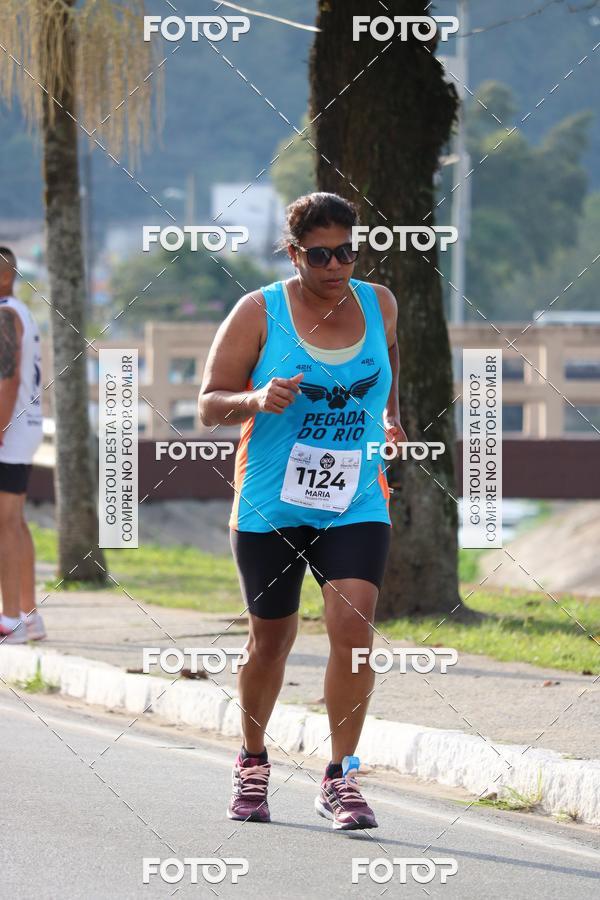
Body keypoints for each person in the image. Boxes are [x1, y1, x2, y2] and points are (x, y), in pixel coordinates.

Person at [198, 192, 406, 830]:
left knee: (354, 636)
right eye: (321, 255)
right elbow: (209, 404)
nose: (337, 265)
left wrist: (392, 417)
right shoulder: (258, 312)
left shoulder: (380, 304)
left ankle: (341, 777)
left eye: (347, 250)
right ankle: (253, 762)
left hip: (354, 497)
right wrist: (257, 398)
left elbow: (388, 362)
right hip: (270, 502)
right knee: (271, 643)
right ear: (294, 253)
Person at [0, 247, 45, 643]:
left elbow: (7, 379)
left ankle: (9, 619)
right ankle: (29, 616)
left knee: (5, 523)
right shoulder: (20, 311)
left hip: (10, 429)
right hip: (24, 427)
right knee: (14, 521)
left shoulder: (4, 313)